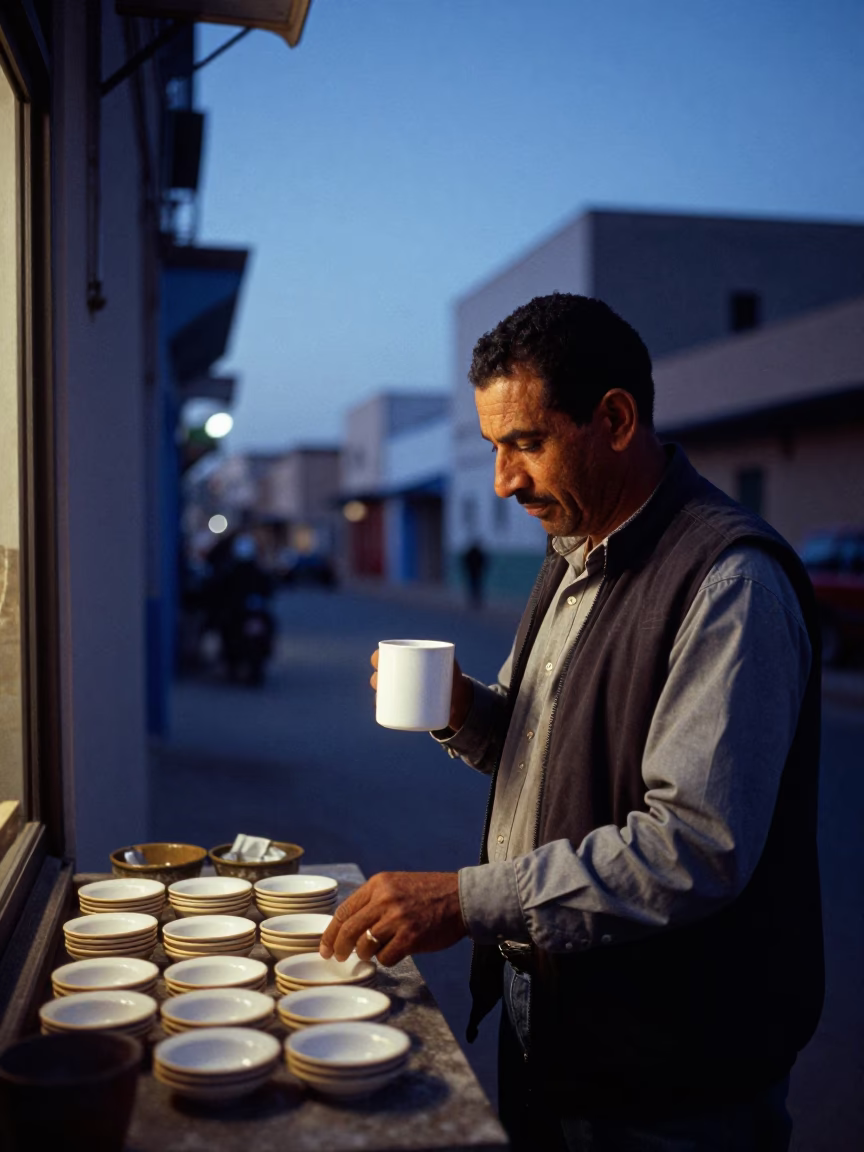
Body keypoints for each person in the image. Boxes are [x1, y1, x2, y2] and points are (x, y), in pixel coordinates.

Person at [319, 293, 824, 1152]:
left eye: (526, 443)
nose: (504, 481)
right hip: (556, 1031)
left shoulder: (727, 582)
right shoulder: (574, 553)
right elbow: (545, 747)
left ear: (617, 419)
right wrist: (464, 711)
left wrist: (464, 900)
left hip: (672, 1075)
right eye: (492, 448)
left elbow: (696, 847)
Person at [461, 540, 488, 608]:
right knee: (476, 588)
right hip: (476, 573)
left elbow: (465, 562)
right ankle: (476, 602)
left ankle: (474, 601)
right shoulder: (477, 554)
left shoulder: (471, 553)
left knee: (473, 588)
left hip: (473, 573)